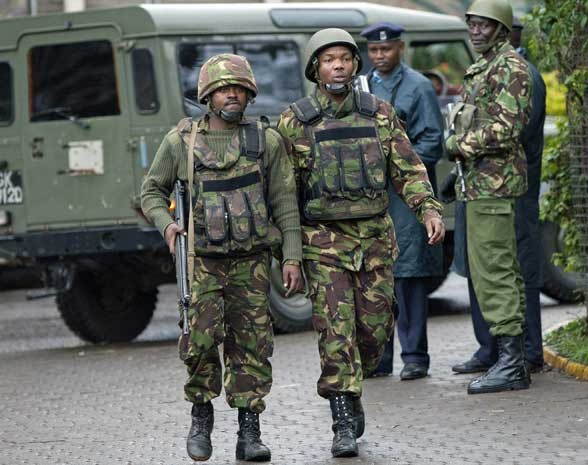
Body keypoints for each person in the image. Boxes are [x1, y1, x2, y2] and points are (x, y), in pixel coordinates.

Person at [277, 28, 444, 457]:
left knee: (373, 332)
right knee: (335, 331)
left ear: (355, 66)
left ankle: (355, 388)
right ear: (316, 67)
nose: (338, 66)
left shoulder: (379, 114)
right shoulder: (295, 121)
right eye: (329, 59)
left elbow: (408, 168)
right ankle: (342, 415)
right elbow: (283, 194)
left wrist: (427, 208)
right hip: (323, 243)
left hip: (373, 240)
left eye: (345, 59)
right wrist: (289, 253)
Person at [141, 54, 303, 462]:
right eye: (223, 88)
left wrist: (292, 258)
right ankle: (201, 418)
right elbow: (151, 192)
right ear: (207, 95)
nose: (232, 94)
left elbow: (284, 202)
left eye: (239, 88)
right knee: (198, 344)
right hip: (201, 264)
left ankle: (250, 433)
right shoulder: (181, 142)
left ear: (250, 93)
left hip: (251, 263)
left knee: (252, 347)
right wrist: (168, 226)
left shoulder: (264, 141)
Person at [451, 15, 547, 376]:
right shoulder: (485, 66)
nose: (475, 31)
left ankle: (514, 359)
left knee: (499, 269)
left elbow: (508, 129)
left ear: (503, 30)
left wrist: (457, 145)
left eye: (484, 25)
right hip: (480, 182)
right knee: (490, 269)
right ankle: (507, 355)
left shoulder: (511, 68)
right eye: (472, 24)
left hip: (500, 185)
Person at [360, 22, 444, 381]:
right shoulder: (360, 87)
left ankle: (414, 356)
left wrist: (394, 166)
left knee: (409, 275)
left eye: (387, 49)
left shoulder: (419, 87)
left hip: (406, 195)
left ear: (401, 48)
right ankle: (380, 357)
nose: (380, 56)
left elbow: (432, 143)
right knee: (376, 276)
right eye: (375, 51)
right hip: (370, 198)